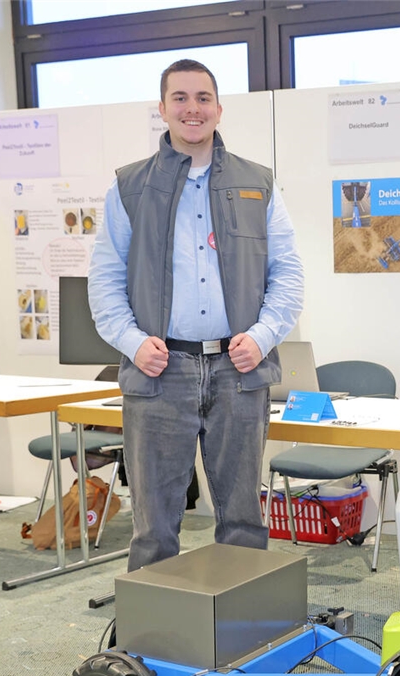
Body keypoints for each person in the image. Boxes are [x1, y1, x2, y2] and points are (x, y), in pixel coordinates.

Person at [88, 59, 304, 571]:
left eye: (202, 98)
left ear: (218, 108)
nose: (192, 108)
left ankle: (244, 628)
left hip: (238, 370)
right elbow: (104, 281)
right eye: (180, 98)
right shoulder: (129, 187)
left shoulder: (259, 184)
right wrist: (133, 341)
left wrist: (264, 334)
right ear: (162, 109)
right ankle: (151, 639)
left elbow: (289, 274)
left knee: (244, 520)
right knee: (155, 525)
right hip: (160, 373)